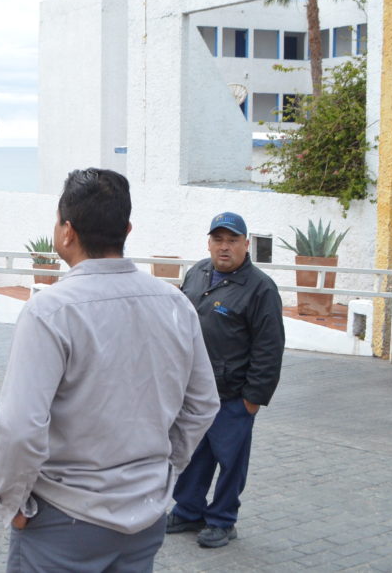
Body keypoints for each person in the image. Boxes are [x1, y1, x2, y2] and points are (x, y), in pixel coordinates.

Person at [0, 169, 219, 572]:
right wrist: (165, 470)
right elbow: (202, 403)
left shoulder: (50, 311)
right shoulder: (175, 304)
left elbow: (20, 427)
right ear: (127, 229)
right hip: (144, 518)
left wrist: (13, 502)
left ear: (66, 231)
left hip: (62, 518)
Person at [166, 212, 284, 548]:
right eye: (218, 239)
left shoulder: (260, 288)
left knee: (230, 462)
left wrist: (254, 397)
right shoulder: (197, 273)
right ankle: (188, 511)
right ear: (209, 243)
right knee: (191, 454)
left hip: (233, 396)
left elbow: (270, 347)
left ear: (246, 245)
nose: (224, 247)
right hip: (193, 392)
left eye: (232, 240)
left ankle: (222, 520)